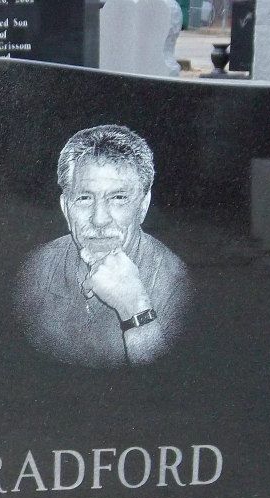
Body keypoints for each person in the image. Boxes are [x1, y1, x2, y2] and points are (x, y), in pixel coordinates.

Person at [15, 124, 190, 368]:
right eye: (85, 198)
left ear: (143, 205)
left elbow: (168, 389)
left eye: (118, 198)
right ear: (66, 208)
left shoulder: (176, 284)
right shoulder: (36, 269)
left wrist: (136, 308)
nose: (99, 219)